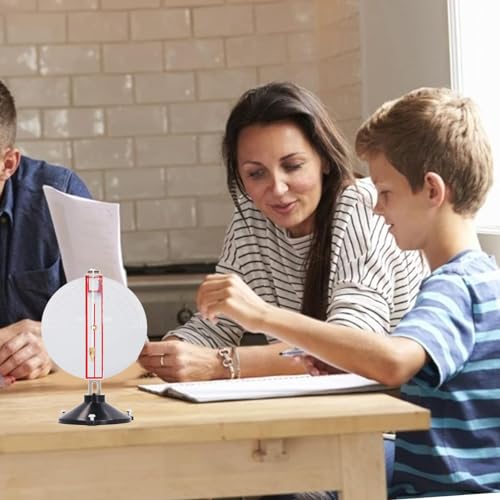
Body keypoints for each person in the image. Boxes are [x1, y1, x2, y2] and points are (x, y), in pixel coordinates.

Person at [195, 86, 500, 497]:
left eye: (385, 193)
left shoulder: (455, 287)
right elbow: (439, 391)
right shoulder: (480, 278)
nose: (377, 207)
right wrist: (341, 363)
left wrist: (262, 315)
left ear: (431, 190)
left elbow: (393, 360)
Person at [139, 81, 426, 382]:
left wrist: (220, 364)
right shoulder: (250, 220)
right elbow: (216, 324)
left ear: (324, 160)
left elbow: (349, 347)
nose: (277, 189)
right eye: (256, 173)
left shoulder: (362, 205)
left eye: (292, 166)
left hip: (392, 413)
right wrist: (169, 352)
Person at [0, 80, 91, 381]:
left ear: (8, 163)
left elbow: (111, 321)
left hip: (44, 403)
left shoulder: (62, 197)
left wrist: (56, 348)